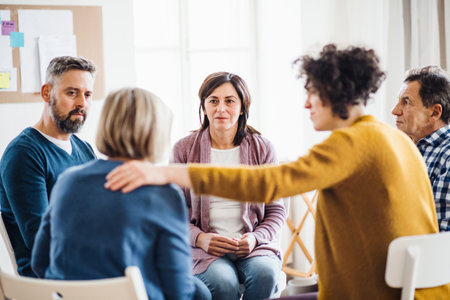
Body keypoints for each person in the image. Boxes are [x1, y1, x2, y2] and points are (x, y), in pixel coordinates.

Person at [105, 44, 450, 299]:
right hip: (419, 288)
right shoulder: (397, 139)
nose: (305, 104)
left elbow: (272, 183)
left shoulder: (351, 142)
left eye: (310, 94)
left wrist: (166, 173)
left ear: (333, 92)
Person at [31, 87, 210, 300]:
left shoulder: (67, 180)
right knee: (201, 293)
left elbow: (39, 262)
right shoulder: (163, 193)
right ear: (157, 133)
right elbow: (178, 290)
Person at [172, 72, 286, 300]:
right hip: (203, 249)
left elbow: (276, 210)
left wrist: (254, 238)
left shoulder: (263, 149)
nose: (220, 108)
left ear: (243, 107)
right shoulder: (184, 150)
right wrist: (200, 238)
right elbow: (172, 212)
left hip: (254, 246)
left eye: (230, 101)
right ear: (203, 107)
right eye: (213, 101)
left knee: (265, 275)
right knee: (223, 283)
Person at [0, 56, 97, 277]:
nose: (82, 103)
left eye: (88, 94)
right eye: (72, 93)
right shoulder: (24, 154)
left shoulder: (84, 150)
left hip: (90, 269)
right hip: (53, 281)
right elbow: (43, 243)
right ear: (46, 93)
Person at [392, 66, 450, 231]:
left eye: (406, 102)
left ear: (435, 112)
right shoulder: (405, 148)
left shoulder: (447, 155)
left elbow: (442, 236)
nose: (395, 111)